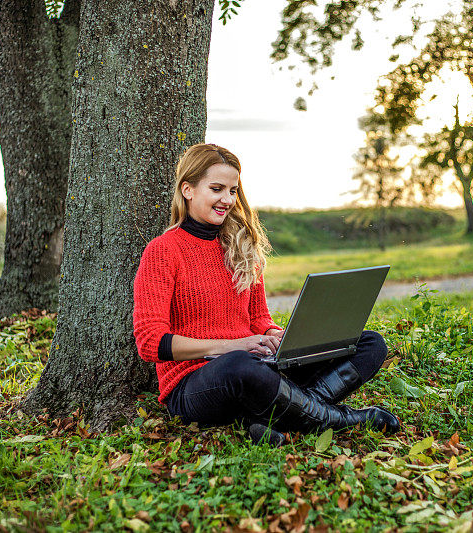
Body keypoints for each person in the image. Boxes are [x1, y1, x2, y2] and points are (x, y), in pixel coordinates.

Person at [133, 143, 400, 446]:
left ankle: (264, 418)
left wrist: (278, 337)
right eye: (217, 188)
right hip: (197, 384)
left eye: (233, 190)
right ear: (188, 190)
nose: (227, 199)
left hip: (258, 368)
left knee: (369, 344)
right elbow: (149, 342)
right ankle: (338, 419)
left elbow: (258, 319)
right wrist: (234, 346)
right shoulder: (163, 251)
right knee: (239, 365)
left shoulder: (241, 247)